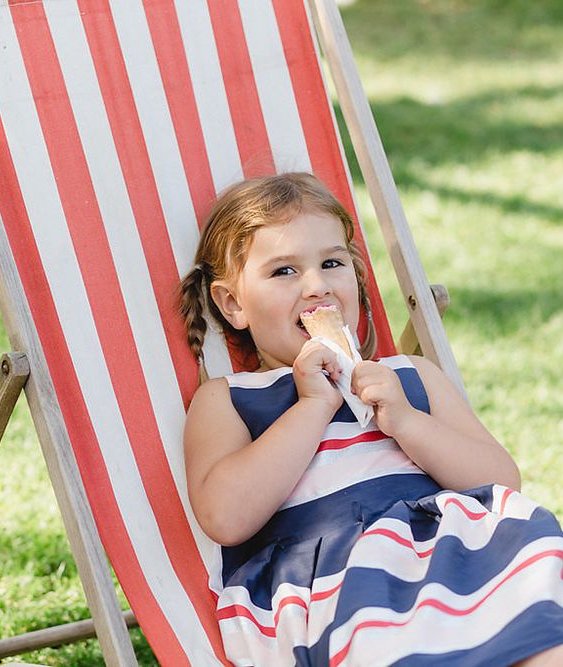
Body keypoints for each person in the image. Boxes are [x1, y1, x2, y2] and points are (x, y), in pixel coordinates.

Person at [179, 172, 563, 666]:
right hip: (331, 581)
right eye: (283, 272)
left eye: (331, 263)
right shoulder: (230, 398)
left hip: (450, 552)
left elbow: (500, 481)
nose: (316, 285)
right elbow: (226, 517)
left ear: (356, 277)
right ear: (232, 304)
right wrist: (311, 407)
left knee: (534, 575)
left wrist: (406, 420)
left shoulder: (408, 376)